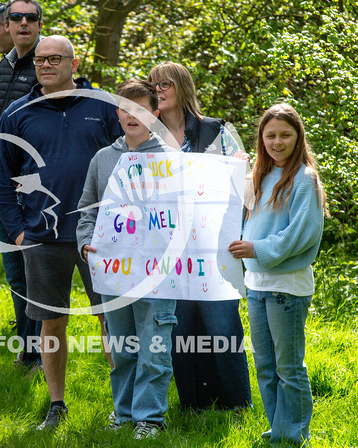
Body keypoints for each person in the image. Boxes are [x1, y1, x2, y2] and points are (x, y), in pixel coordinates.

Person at [0, 35, 122, 430]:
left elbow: (131, 157)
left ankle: (124, 405)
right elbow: (0, 180)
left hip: (100, 238)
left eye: (55, 59)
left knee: (110, 320)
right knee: (51, 324)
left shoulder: (104, 106)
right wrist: (17, 233)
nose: (45, 65)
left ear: (73, 64)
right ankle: (57, 404)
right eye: (41, 60)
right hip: (42, 237)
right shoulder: (17, 112)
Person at [147, 61, 251, 411]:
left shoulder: (216, 132)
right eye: (152, 85)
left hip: (213, 248)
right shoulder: (146, 139)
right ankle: (194, 405)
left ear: (182, 86)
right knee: (180, 331)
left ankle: (237, 405)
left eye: (164, 83)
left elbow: (246, 191)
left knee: (221, 326)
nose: (157, 90)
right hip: (168, 251)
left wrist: (241, 167)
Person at [77, 79, 177, 439]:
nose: (132, 115)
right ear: (117, 112)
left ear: (155, 112)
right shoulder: (103, 159)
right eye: (125, 107)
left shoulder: (173, 160)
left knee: (154, 347)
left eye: (141, 108)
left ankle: (149, 419)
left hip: (159, 274)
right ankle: (123, 414)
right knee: (121, 348)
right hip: (114, 273)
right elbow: (87, 210)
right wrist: (86, 243)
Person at [229, 103, 327, 446]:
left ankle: (292, 435)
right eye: (270, 135)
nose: (277, 141)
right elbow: (237, 213)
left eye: (285, 134)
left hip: (287, 288)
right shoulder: (259, 174)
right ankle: (278, 429)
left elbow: (303, 233)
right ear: (262, 138)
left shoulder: (304, 179)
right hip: (255, 284)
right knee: (266, 368)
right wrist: (233, 170)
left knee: (289, 368)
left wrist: (256, 249)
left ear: (298, 136)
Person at [0, 0, 44, 370]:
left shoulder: (44, 62)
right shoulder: (5, 66)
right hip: (0, 183)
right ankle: (27, 349)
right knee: (15, 271)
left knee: (33, 268)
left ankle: (38, 350)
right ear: (6, 25)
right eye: (15, 18)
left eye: (30, 18)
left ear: (38, 24)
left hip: (30, 185)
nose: (22, 23)